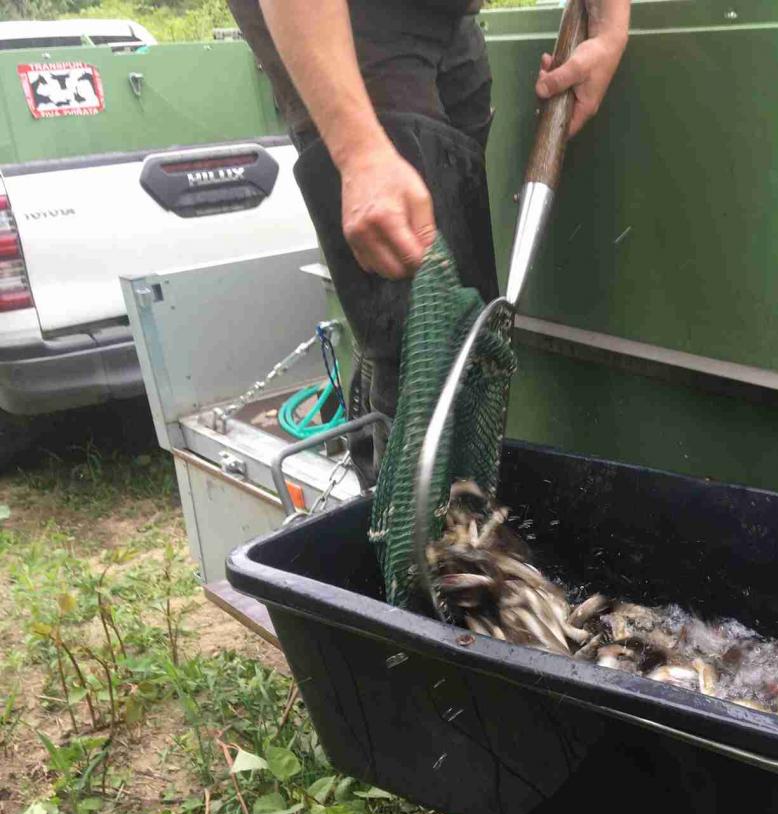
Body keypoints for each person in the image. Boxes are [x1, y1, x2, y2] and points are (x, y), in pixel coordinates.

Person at [227, 0, 630, 478]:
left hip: (445, 14)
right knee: (422, 336)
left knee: (451, 307)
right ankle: (416, 514)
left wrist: (609, 26)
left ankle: (420, 467)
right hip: (341, 17)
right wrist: (359, 150)